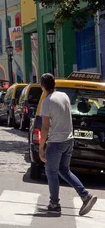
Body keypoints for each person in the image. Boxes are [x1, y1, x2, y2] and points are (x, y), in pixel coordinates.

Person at [38, 73, 97, 215]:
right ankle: (85, 195)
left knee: (51, 172)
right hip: (68, 140)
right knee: (64, 170)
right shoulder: (64, 96)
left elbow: (45, 127)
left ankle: (54, 203)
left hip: (56, 142)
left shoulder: (46, 102)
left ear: (42, 86)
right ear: (54, 84)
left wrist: (41, 147)